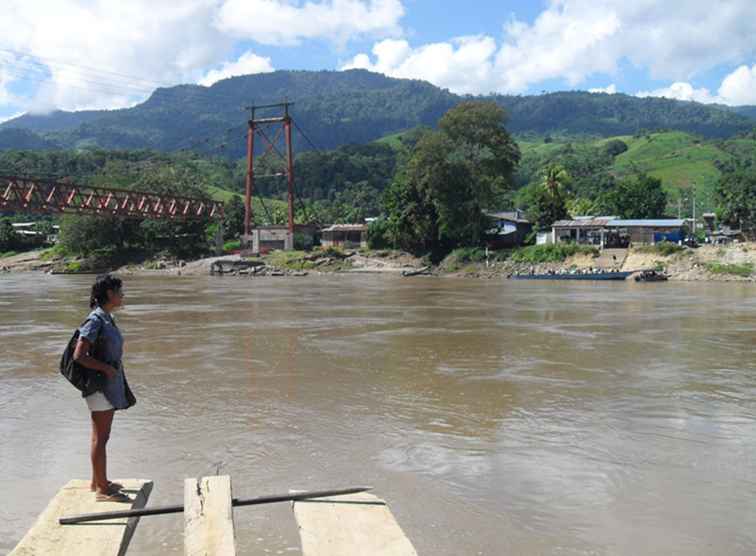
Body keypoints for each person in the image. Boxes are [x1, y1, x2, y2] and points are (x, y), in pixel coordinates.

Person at [73, 274, 136, 502]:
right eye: (120, 291)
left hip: (106, 385)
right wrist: (106, 369)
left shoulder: (106, 317)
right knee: (101, 437)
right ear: (109, 294)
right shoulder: (96, 320)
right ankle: (102, 491)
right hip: (100, 386)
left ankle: (97, 481)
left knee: (100, 436)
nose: (123, 295)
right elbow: (79, 355)